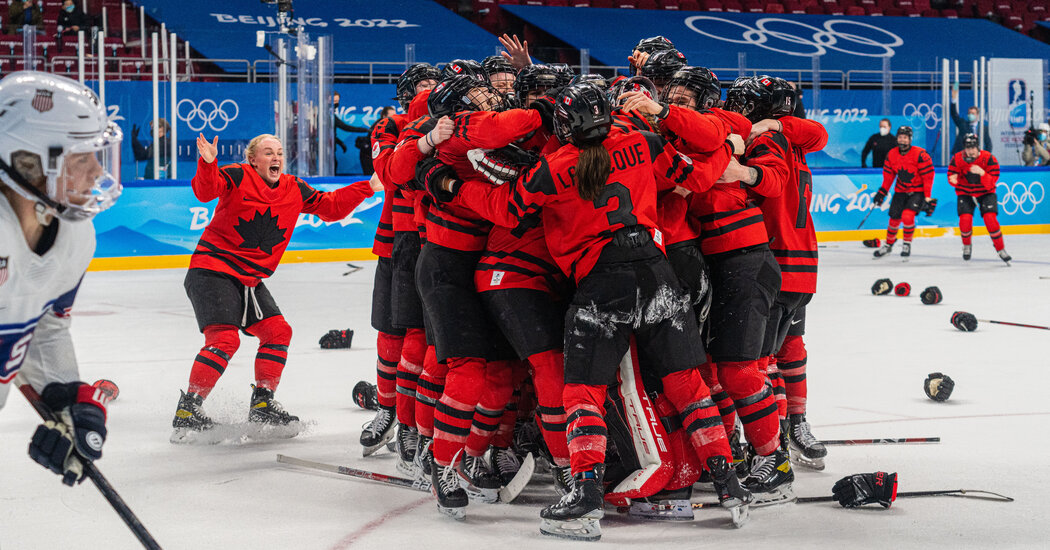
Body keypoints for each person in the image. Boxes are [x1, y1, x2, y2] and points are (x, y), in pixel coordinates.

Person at [425, 83, 750, 539]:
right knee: (689, 386)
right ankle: (729, 482)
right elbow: (695, 177)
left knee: (582, 393)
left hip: (601, 284)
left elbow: (503, 207)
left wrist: (453, 185)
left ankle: (585, 494)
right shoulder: (642, 142)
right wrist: (729, 152)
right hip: (658, 273)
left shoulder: (554, 168)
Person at [170, 133, 380, 441]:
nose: (276, 158)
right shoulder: (236, 175)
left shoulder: (294, 187)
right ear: (252, 159)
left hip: (251, 279)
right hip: (212, 270)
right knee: (225, 339)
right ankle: (188, 408)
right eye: (268, 153)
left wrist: (369, 187)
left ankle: (263, 403)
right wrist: (208, 162)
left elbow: (331, 207)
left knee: (278, 331)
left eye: (279, 152)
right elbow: (205, 191)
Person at [0, 71, 122, 486]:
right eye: (81, 157)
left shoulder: (73, 237)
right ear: (29, 162)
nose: (96, 170)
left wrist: (67, 398)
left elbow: (45, 326)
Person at [872, 126, 935, 259]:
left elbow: (928, 176)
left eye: (905, 137)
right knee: (894, 219)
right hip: (900, 191)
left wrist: (928, 197)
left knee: (907, 216)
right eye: (900, 137)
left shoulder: (920, 154)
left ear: (910, 139)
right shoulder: (892, 154)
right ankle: (888, 245)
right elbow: (889, 177)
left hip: (917, 191)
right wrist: (881, 193)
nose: (902, 140)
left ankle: (907, 243)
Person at [948, 133, 1011, 263]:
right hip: (965, 193)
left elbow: (992, 183)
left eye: (973, 147)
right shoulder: (957, 158)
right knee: (965, 220)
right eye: (967, 148)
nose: (970, 151)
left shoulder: (989, 159)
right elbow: (951, 176)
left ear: (978, 147)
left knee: (990, 219)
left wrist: (982, 173)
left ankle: (1000, 249)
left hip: (986, 193)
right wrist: (953, 180)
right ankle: (967, 245)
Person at [332, 92, 369, 175]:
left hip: (331, 148)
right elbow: (345, 127)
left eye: (337, 101)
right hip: (327, 149)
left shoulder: (331, 114)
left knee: (334, 164)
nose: (336, 103)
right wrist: (365, 130)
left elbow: (331, 134)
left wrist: (340, 143)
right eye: (334, 101)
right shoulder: (327, 115)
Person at [950, 87, 992, 155]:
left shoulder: (983, 128)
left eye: (973, 113)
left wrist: (985, 156)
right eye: (969, 113)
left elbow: (988, 144)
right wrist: (953, 99)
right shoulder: (963, 124)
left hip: (976, 155)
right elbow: (954, 114)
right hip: (962, 155)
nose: (970, 115)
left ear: (977, 115)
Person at [356, 106, 395, 175]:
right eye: (391, 116)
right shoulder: (380, 126)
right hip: (368, 155)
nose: (394, 118)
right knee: (371, 177)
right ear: (384, 116)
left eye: (395, 116)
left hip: (374, 154)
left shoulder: (390, 124)